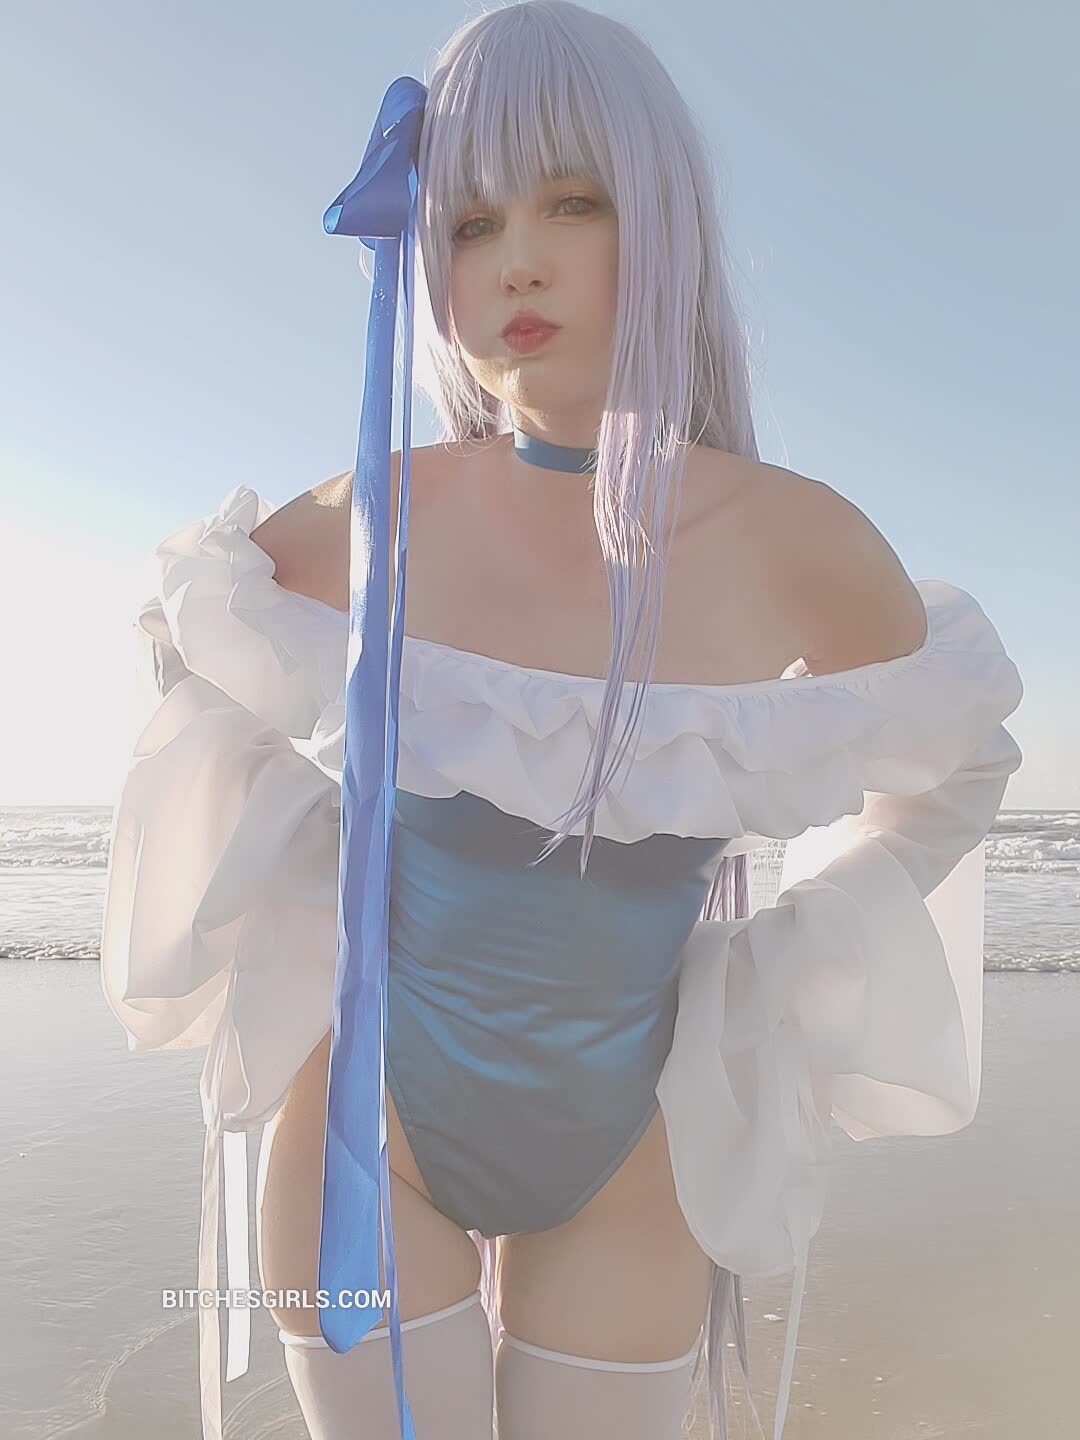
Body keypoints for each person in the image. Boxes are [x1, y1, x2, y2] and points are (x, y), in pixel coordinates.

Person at [99, 4, 1024, 1440]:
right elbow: (191, 646)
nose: (516, 258)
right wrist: (315, 864)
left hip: (631, 1161)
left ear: (664, 220)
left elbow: (954, 757)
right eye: (470, 222)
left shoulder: (799, 542)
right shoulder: (381, 505)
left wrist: (784, 956)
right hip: (366, 1141)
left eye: (572, 202)